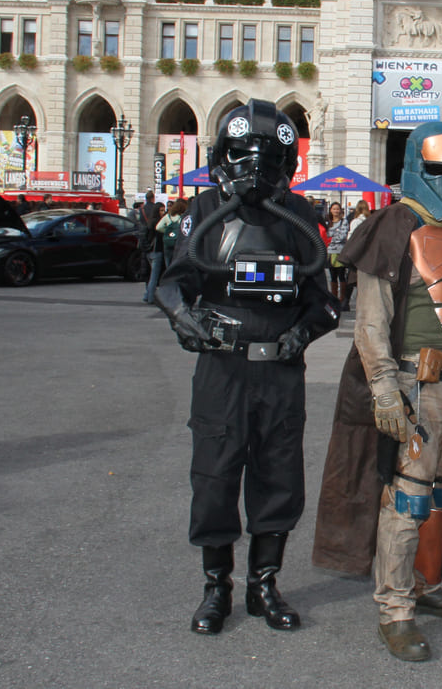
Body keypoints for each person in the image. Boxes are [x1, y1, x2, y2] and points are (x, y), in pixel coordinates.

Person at [313, 121, 442, 663]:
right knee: (409, 496)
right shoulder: (392, 227)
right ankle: (395, 610)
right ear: (420, 168)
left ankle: (426, 584)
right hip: (416, 383)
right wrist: (385, 393)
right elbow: (371, 325)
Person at [155, 99, 340, 636]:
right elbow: (173, 280)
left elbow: (324, 302)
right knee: (214, 478)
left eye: (267, 158)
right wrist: (181, 316)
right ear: (222, 156)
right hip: (222, 369)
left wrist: (302, 332)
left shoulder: (300, 219)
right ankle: (217, 586)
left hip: (279, 373)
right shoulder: (205, 210)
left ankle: (265, 582)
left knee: (278, 476)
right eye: (241, 156)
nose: (253, 170)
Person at [325, 201, 351, 309]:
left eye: (337, 209)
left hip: (340, 252)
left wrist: (331, 238)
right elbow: (325, 235)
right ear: (330, 210)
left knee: (342, 276)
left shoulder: (344, 222)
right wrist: (331, 237)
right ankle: (333, 298)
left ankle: (342, 299)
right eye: (334, 209)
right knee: (332, 276)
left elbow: (342, 236)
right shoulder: (328, 222)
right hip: (330, 252)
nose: (336, 211)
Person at [141, 200, 166, 304]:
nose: (163, 212)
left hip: (149, 251)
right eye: (161, 210)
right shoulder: (158, 223)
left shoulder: (150, 221)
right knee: (154, 277)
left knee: (151, 275)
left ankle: (147, 295)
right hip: (157, 250)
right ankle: (151, 297)